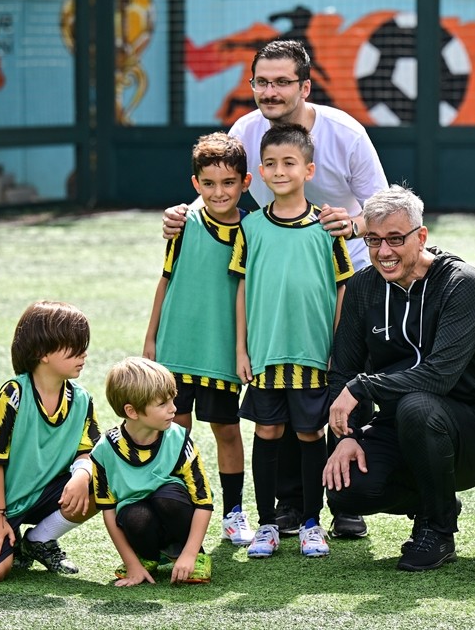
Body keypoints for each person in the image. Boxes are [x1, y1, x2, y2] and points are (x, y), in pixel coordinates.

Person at [164, 38, 386, 540]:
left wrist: (345, 225)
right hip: (274, 283)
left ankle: (346, 502)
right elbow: (221, 185)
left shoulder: (344, 133)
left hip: (343, 276)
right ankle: (288, 507)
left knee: (343, 387)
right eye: (262, 81)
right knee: (284, 402)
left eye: (283, 81)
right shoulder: (244, 129)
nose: (271, 90)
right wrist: (182, 214)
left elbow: (381, 206)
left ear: (305, 86)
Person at [322, 185, 475, 572]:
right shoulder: (361, 288)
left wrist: (363, 387)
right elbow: (343, 369)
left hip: (474, 431)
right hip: (397, 426)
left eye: (395, 239)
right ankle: (435, 498)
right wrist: (348, 436)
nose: (384, 251)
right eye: (373, 240)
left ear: (421, 236)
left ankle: (438, 530)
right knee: (347, 491)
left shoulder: (460, 282)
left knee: (417, 405)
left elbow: (438, 375)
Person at [230, 123, 353, 559]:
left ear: (308, 169)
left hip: (312, 356)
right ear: (260, 171)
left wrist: (338, 349)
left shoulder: (327, 228)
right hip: (265, 355)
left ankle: (310, 522)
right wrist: (242, 348)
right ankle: (265, 523)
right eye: (271, 164)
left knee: (308, 434)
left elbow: (342, 289)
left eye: (289, 163)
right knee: (267, 431)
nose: (279, 171)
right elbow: (242, 288)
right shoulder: (252, 229)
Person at [143, 132, 255, 548]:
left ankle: (234, 513)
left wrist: (244, 348)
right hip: (175, 349)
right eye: (208, 184)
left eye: (228, 183)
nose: (218, 191)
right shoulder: (184, 224)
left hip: (220, 352)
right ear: (195, 184)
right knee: (177, 432)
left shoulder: (253, 230)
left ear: (244, 183)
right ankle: (183, 509)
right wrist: (150, 340)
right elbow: (165, 280)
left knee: (227, 431)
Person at [0, 300, 101, 582]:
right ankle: (7, 539)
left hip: (43, 492)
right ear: (42, 353)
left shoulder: (82, 399)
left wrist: (82, 474)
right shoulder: (13, 394)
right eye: (73, 345)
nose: (83, 353)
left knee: (103, 480)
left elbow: (87, 451)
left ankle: (39, 540)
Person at [91, 357, 215, 586]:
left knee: (166, 498)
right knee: (133, 514)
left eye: (172, 400)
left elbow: (204, 502)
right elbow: (108, 511)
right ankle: (148, 557)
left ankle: (192, 556)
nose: (173, 409)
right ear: (132, 411)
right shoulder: (104, 451)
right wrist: (131, 564)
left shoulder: (179, 439)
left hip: (176, 514)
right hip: (142, 525)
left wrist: (190, 552)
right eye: (162, 404)